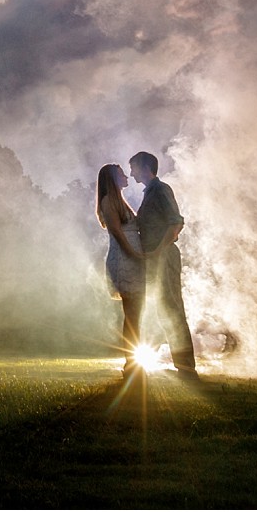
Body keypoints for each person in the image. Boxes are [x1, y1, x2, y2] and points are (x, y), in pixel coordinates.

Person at [129, 150, 197, 375]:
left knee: (172, 308)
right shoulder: (150, 192)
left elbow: (176, 223)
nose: (131, 173)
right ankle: (168, 359)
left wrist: (159, 250)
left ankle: (186, 366)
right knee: (161, 308)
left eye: (134, 167)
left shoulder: (160, 189)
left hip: (163, 257)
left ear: (145, 167)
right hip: (153, 258)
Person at [95, 163, 146, 375]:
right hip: (125, 261)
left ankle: (133, 361)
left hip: (132, 260)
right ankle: (131, 363)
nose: (126, 176)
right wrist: (133, 255)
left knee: (136, 314)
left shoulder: (119, 201)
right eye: (121, 173)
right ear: (113, 179)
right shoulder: (108, 202)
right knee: (132, 315)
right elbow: (116, 231)